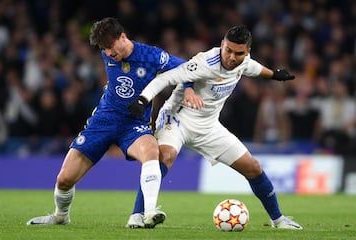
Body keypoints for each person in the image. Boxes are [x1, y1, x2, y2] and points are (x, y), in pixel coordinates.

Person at [128, 25, 303, 230]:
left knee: (253, 168)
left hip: (209, 126)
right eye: (228, 50)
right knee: (165, 156)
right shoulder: (204, 62)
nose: (231, 57)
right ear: (222, 44)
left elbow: (254, 69)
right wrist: (143, 99)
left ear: (247, 52)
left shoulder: (243, 62)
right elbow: (166, 78)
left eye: (238, 53)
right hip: (177, 119)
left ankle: (279, 220)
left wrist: (274, 74)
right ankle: (138, 215)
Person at [26, 17, 185, 228]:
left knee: (151, 152)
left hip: (133, 124)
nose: (108, 52)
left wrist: (190, 88)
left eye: (110, 46)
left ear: (123, 37)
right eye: (104, 48)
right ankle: (60, 216)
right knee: (64, 179)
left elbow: (187, 68)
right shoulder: (107, 54)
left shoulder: (152, 56)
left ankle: (148, 212)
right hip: (103, 121)